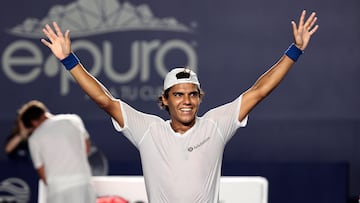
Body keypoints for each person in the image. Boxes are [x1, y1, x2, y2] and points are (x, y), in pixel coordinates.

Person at [40, 10, 319, 203]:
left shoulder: (215, 125)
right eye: (177, 95)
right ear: (164, 100)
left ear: (199, 97)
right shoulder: (147, 130)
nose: (186, 100)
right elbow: (104, 100)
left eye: (192, 94)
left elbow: (258, 91)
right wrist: (68, 60)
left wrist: (294, 51)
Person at [19, 100, 96, 203]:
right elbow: (86, 148)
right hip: (83, 183)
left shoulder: (34, 139)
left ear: (34, 122)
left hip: (57, 189)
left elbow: (41, 170)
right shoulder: (74, 120)